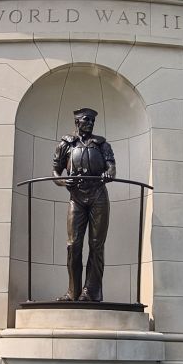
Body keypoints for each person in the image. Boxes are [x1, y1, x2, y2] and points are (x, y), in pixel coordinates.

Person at [52, 108, 116, 302]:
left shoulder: (102, 144)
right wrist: (63, 182)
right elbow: (55, 171)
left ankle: (91, 291)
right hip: (76, 197)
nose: (89, 123)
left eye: (92, 121)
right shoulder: (66, 144)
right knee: (73, 245)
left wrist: (109, 173)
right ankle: (73, 291)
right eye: (86, 120)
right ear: (77, 122)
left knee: (96, 245)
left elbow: (111, 167)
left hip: (98, 196)